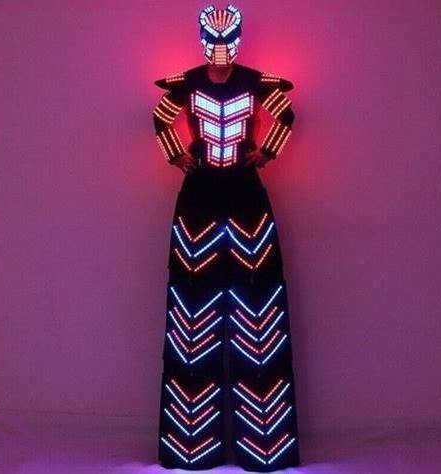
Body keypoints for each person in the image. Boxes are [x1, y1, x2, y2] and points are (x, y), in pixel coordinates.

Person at [153, 5, 300, 471]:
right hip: (198, 198)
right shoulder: (187, 82)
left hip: (245, 197)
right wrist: (177, 156)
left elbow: (287, 115)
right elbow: (159, 117)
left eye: (227, 40)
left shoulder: (257, 83)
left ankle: (265, 444)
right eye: (213, 40)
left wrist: (266, 152)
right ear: (202, 39)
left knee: (258, 308)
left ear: (237, 38)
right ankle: (190, 444)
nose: (220, 50)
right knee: (191, 311)